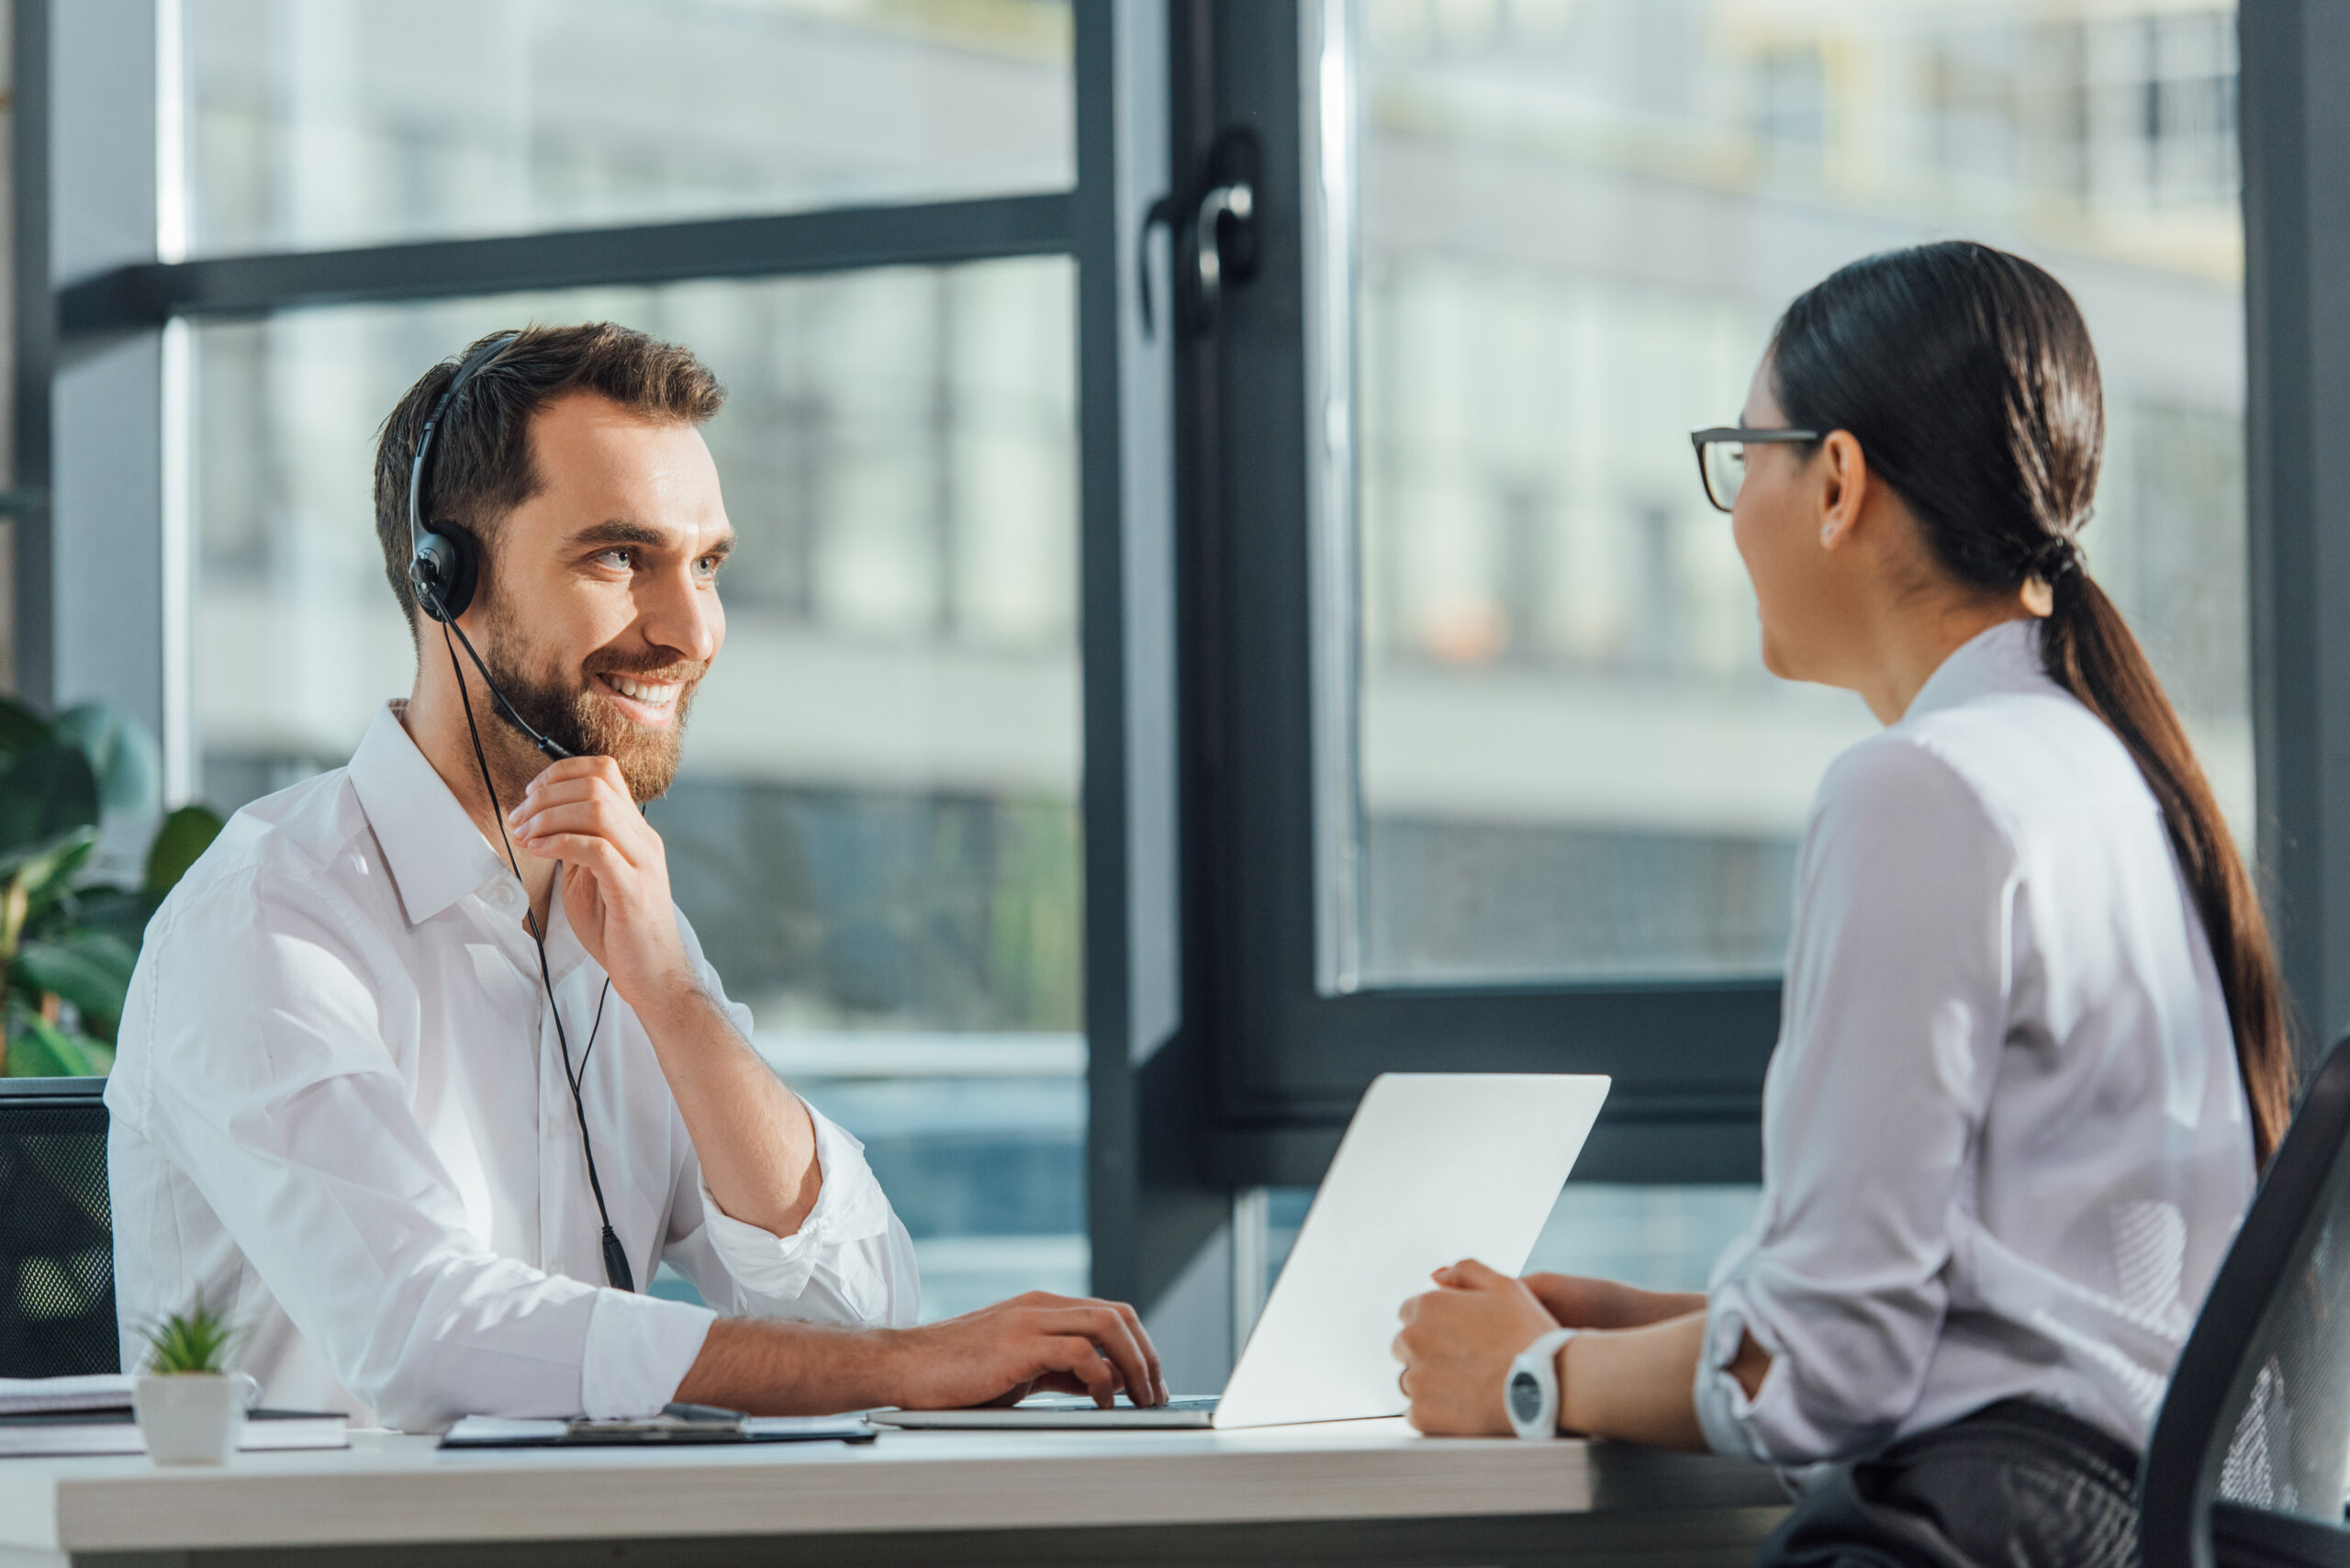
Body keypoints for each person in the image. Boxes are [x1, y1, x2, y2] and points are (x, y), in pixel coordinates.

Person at [1391, 241, 2291, 1564]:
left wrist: (1535, 1378)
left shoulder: (1919, 788)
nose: (1733, 506)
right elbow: (1969, 1319)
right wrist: (1646, 1327)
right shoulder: (2104, 767)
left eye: (1743, 454)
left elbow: (1827, 1375)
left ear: (1837, 482)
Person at [107, 323, 1163, 1432]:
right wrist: (901, 1361)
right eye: (620, 557)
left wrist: (674, 997)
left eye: (705, 563)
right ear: (444, 578)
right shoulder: (269, 917)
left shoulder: (614, 911)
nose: (692, 629)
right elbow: (424, 1338)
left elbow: (860, 1312)